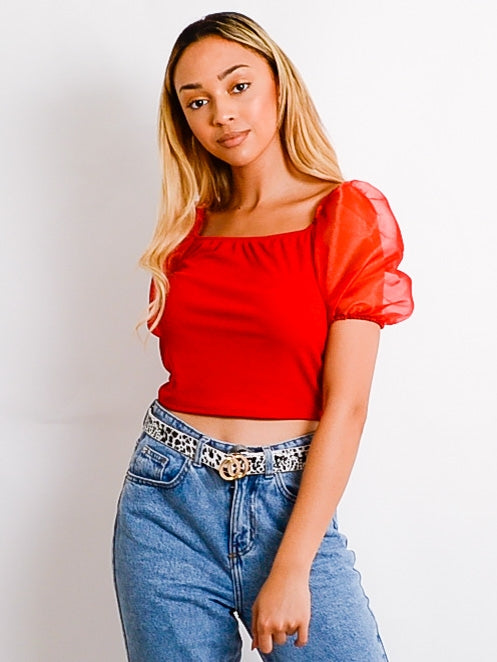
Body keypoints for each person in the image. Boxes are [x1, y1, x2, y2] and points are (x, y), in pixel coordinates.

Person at [112, 11, 414, 662]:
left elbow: (347, 406)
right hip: (164, 501)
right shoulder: (188, 229)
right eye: (197, 101)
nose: (221, 112)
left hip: (286, 501)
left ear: (279, 85)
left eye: (238, 85)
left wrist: (293, 566)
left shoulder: (343, 215)